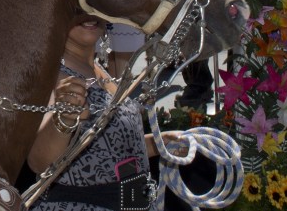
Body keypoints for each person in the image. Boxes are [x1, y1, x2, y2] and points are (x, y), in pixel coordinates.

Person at [27, 15, 185, 211]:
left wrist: (158, 144)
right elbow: (39, 162)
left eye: (92, 7)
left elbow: (109, 148)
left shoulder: (100, 72)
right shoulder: (50, 75)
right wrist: (64, 119)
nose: (88, 16)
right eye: (76, 8)